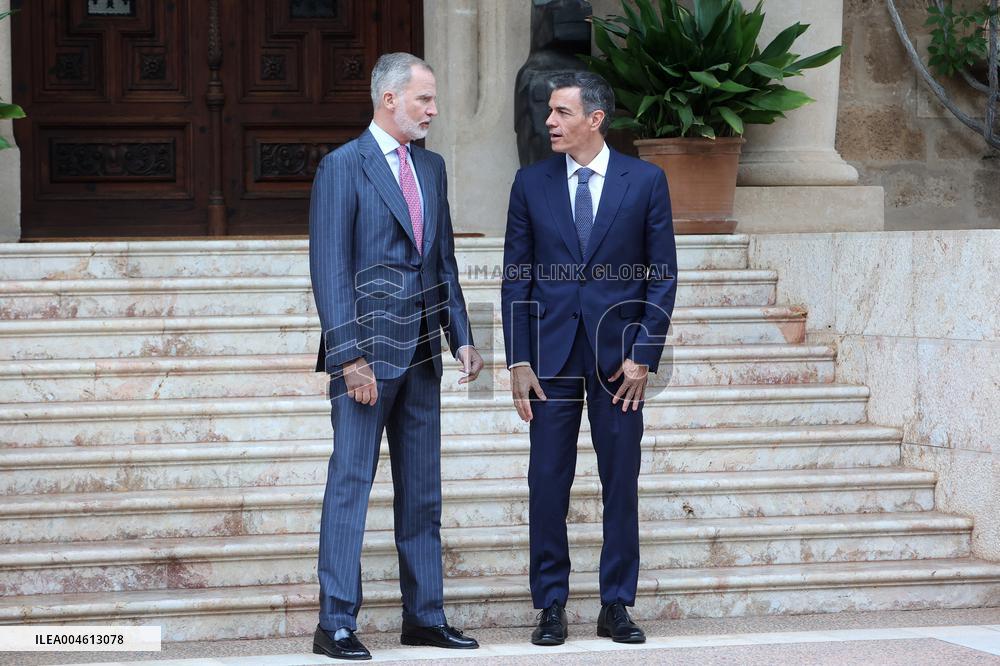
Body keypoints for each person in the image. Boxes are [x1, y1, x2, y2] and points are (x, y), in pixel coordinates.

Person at [308, 52, 484, 661]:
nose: (434, 110)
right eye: (425, 100)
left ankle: (424, 616)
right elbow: (330, 270)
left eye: (433, 101)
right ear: (389, 100)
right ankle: (334, 623)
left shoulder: (431, 168)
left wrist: (460, 333)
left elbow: (442, 262)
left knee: (422, 491)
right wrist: (348, 357)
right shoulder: (342, 167)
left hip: (421, 356)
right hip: (366, 358)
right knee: (350, 486)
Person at [500, 70, 678, 646]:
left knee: (619, 479)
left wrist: (643, 356)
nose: (548, 122)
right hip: (549, 358)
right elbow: (517, 278)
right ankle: (550, 605)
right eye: (548, 112)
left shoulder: (646, 181)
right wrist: (518, 359)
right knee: (547, 481)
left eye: (560, 113)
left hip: (619, 362)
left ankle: (616, 605)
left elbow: (662, 277)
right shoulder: (530, 183)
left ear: (595, 119)